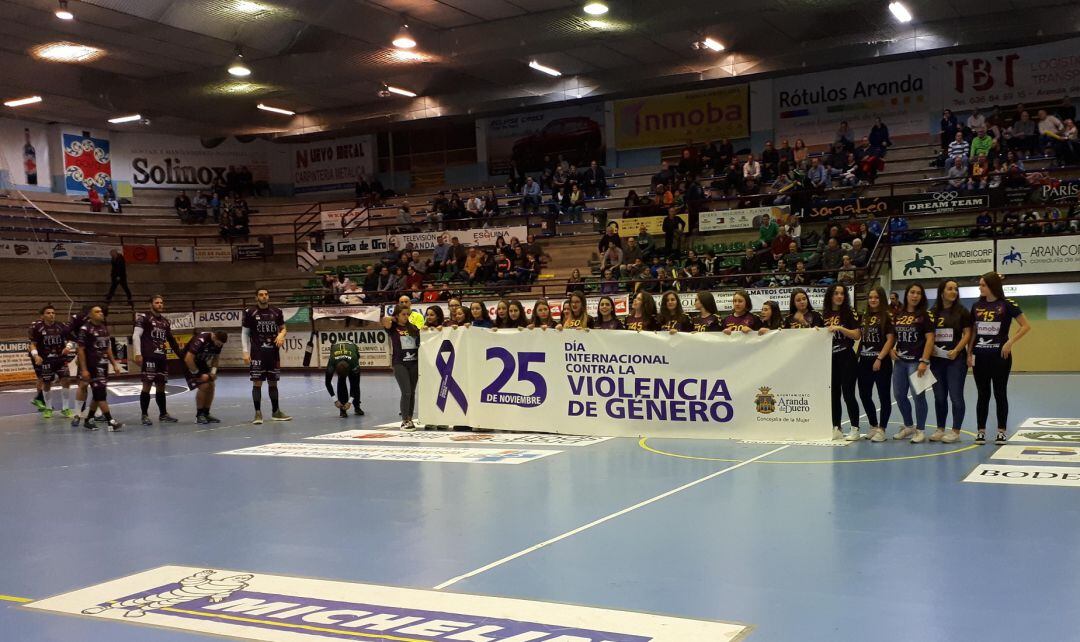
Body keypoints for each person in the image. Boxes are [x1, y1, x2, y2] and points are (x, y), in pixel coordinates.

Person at [969, 271, 1031, 445]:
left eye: (983, 285)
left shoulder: (1007, 304)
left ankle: (1001, 431)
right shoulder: (976, 306)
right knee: (983, 394)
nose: (980, 288)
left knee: (1000, 393)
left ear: (992, 286)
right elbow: (973, 332)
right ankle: (981, 431)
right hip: (980, 357)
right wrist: (969, 353)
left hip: (1000, 357)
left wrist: (1010, 342)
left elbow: (1026, 326)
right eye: (980, 285)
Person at [891, 283, 935, 443]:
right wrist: (891, 350)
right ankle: (908, 426)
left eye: (918, 293)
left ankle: (920, 430)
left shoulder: (925, 315)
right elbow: (893, 336)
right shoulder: (898, 314)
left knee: (918, 397)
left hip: (917, 362)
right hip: (900, 362)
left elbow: (930, 338)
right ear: (907, 294)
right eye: (912, 292)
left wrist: (924, 360)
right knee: (899, 395)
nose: (915, 296)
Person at [241, 289, 291, 425]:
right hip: (257, 353)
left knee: (273, 382)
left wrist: (281, 335)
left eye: (266, 294)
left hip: (273, 353)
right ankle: (258, 413)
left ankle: (276, 412)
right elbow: (245, 333)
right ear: (256, 297)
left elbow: (283, 328)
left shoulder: (277, 311)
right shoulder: (250, 312)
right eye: (261, 295)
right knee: (257, 382)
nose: (264, 296)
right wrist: (245, 351)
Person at [132, 295, 183, 426]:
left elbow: (171, 340)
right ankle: (144, 415)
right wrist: (138, 354)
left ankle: (163, 414)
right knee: (147, 386)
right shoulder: (144, 318)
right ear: (151, 304)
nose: (160, 305)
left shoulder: (165, 322)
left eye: (161, 302)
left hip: (161, 358)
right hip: (149, 357)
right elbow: (136, 335)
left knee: (161, 386)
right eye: (157, 302)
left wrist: (181, 356)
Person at [822, 284, 863, 440]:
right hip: (830, 359)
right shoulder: (824, 314)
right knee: (834, 394)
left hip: (847, 357)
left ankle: (855, 428)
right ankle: (836, 427)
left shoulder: (849, 312)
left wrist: (840, 328)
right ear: (830, 295)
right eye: (836, 293)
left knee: (848, 394)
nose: (839, 296)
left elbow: (857, 335)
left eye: (842, 293)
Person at [76, 306, 123, 431]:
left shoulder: (103, 328)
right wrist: (84, 369)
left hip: (103, 365)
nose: (101, 313)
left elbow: (107, 348)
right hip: (92, 366)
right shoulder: (85, 329)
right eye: (97, 312)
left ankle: (88, 420)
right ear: (90, 315)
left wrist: (114, 364)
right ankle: (110, 421)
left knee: (99, 394)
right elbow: (80, 350)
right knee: (100, 394)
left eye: (101, 311)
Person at [858, 286, 896, 443]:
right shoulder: (864, 316)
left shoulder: (887, 316)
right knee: (864, 394)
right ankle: (873, 425)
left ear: (881, 299)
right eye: (870, 297)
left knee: (884, 396)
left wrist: (879, 358)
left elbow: (890, 339)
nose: (873, 300)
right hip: (864, 361)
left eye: (876, 297)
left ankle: (882, 429)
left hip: (881, 362)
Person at [382, 306, 421, 431]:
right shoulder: (393, 327)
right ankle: (404, 421)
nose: (406, 317)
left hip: (414, 363)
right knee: (406, 392)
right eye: (403, 314)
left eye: (407, 314)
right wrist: (393, 318)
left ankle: (409, 418)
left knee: (412, 392)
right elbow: (384, 320)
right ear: (397, 315)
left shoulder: (413, 328)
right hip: (400, 363)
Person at [27, 304, 69, 419]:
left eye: (53, 313)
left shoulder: (61, 326)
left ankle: (65, 408)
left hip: (60, 358)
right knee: (45, 380)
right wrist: (36, 356)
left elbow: (70, 338)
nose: (51, 315)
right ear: (42, 316)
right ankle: (45, 404)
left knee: (65, 379)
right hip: (44, 358)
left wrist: (68, 347)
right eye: (48, 313)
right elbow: (32, 344)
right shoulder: (37, 327)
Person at [183, 331, 227, 424]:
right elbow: (188, 358)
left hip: (201, 362)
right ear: (214, 337)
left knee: (211, 384)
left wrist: (213, 372)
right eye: (218, 344)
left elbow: (216, 359)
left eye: (220, 345)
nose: (219, 346)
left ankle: (206, 413)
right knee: (204, 385)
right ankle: (199, 415)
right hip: (189, 362)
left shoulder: (219, 344)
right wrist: (199, 374)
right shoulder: (201, 339)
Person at [325, 340, 364, 419]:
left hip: (352, 350)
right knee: (341, 382)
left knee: (354, 381)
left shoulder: (354, 363)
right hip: (336, 351)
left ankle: (357, 406)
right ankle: (342, 409)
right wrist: (335, 400)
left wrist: (350, 402)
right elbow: (327, 382)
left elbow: (356, 385)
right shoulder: (332, 363)